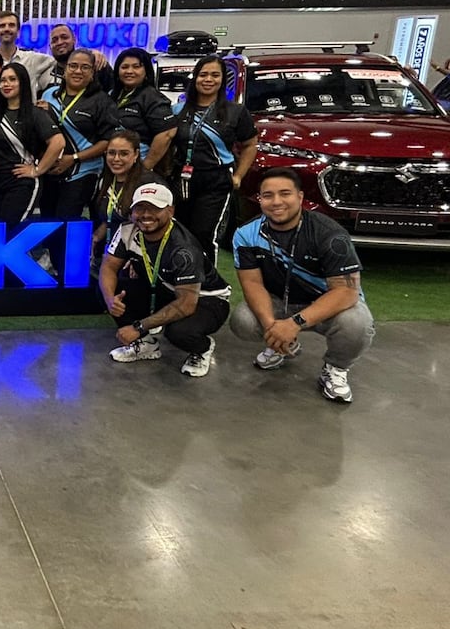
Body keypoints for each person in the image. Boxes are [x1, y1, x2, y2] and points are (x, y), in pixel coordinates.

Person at [230, 167, 374, 403]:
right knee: (243, 320)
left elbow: (347, 292)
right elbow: (253, 284)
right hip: (280, 301)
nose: (277, 202)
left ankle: (336, 368)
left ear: (300, 197)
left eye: (285, 193)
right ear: (260, 199)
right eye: (268, 195)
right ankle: (279, 346)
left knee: (356, 323)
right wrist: (272, 328)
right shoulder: (246, 234)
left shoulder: (330, 234)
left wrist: (294, 323)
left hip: (326, 304)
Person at [99, 181, 232, 378]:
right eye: (140, 208)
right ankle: (145, 345)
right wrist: (110, 299)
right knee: (111, 289)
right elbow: (108, 267)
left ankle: (202, 348)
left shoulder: (184, 249)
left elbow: (186, 304)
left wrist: (138, 327)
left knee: (179, 331)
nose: (146, 215)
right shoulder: (127, 230)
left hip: (206, 299)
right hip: (165, 287)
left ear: (170, 211)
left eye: (154, 209)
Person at [159, 54, 258, 265]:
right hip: (182, 178)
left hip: (216, 180)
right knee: (178, 230)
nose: (208, 79)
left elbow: (250, 145)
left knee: (204, 233)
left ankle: (206, 279)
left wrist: (239, 176)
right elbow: (167, 143)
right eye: (203, 74)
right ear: (195, 78)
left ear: (222, 80)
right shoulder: (178, 110)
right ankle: (181, 274)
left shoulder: (235, 112)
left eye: (215, 75)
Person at [39, 48, 119, 220]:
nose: (78, 71)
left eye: (85, 67)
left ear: (92, 73)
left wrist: (73, 158)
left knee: (67, 222)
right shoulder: (48, 95)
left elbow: (108, 141)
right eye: (73, 66)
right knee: (47, 222)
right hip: (51, 170)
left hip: (82, 171)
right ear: (65, 69)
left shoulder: (102, 101)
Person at [0, 62, 64, 229]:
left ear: (23, 83)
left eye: (12, 79)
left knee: (10, 231)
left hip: (22, 183)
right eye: (3, 80)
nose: (6, 84)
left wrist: (38, 170)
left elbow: (58, 142)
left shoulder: (35, 113)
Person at [110, 48, 175, 169]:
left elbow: (167, 133)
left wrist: (145, 167)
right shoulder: (113, 95)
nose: (129, 71)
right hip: (113, 163)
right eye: (124, 67)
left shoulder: (153, 97)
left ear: (146, 71)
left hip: (138, 164)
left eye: (136, 67)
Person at [91, 130, 147, 257]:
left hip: (135, 253)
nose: (116, 159)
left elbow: (152, 225)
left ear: (136, 154)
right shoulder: (105, 181)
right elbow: (112, 217)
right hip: (111, 251)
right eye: (112, 153)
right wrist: (96, 237)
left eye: (124, 154)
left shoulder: (147, 184)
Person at [0, 10, 56, 93]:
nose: (7, 29)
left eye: (11, 25)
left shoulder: (32, 59)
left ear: (18, 31)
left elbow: (56, 62)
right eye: (2, 26)